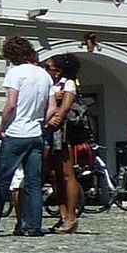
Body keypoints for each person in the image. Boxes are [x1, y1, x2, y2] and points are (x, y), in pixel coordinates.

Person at [0, 35, 51, 237]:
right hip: (36, 133)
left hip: (17, 132)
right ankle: (32, 226)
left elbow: (11, 104)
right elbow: (50, 106)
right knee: (33, 183)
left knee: (3, 179)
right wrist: (41, 122)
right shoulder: (44, 75)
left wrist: (3, 126)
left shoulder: (15, 72)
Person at [43, 52, 82, 234]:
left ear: (57, 71)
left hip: (61, 132)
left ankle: (71, 216)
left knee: (67, 173)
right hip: (50, 130)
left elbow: (65, 108)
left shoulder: (68, 84)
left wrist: (53, 121)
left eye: (48, 67)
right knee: (55, 175)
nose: (45, 70)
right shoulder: (51, 85)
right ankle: (63, 214)